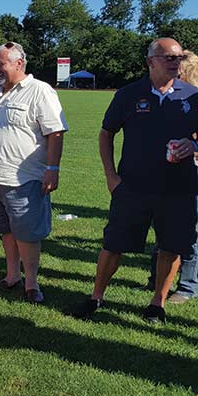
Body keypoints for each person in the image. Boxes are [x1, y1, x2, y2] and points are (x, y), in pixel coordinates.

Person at [74, 38, 198, 323]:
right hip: (132, 186)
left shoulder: (193, 96)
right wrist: (111, 176)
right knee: (114, 243)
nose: (175, 63)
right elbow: (107, 133)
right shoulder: (129, 94)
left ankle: (157, 303)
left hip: (179, 189)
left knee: (172, 245)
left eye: (179, 58)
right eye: (168, 57)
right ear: (150, 61)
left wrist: (192, 147)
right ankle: (96, 297)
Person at [0, 42, 67, 304]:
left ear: (19, 63)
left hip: (23, 178)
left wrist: (53, 169)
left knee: (26, 234)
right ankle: (11, 276)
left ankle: (31, 284)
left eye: (0, 64)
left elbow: (55, 132)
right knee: (6, 231)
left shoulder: (39, 91)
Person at [149, 49, 198, 304]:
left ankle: (187, 286)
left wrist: (193, 146)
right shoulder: (170, 97)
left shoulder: (193, 98)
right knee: (162, 226)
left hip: (192, 175)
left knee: (190, 233)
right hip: (168, 174)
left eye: (179, 69)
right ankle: (156, 278)